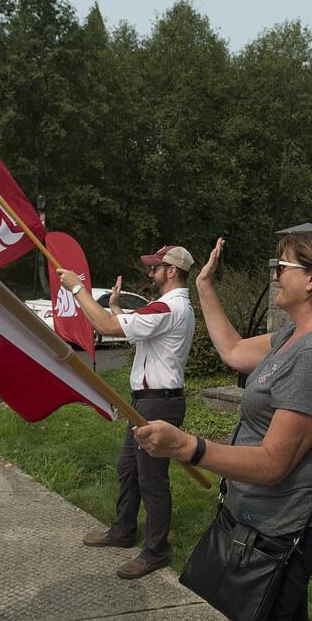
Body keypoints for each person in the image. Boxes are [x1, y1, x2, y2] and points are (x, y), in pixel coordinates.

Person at [135, 230, 312, 621]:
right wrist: (206, 287)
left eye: (282, 267)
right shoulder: (292, 337)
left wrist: (189, 447)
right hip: (266, 522)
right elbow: (234, 350)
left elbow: (273, 462)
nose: (274, 275)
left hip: (284, 530)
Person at [57, 245, 196, 579]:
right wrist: (118, 306)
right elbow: (132, 328)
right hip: (148, 401)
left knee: (152, 479)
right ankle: (122, 532)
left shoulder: (168, 307)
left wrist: (78, 288)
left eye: (154, 269)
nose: (150, 274)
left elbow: (105, 326)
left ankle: (156, 551)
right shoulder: (167, 308)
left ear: (172, 271)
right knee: (128, 468)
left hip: (158, 404)